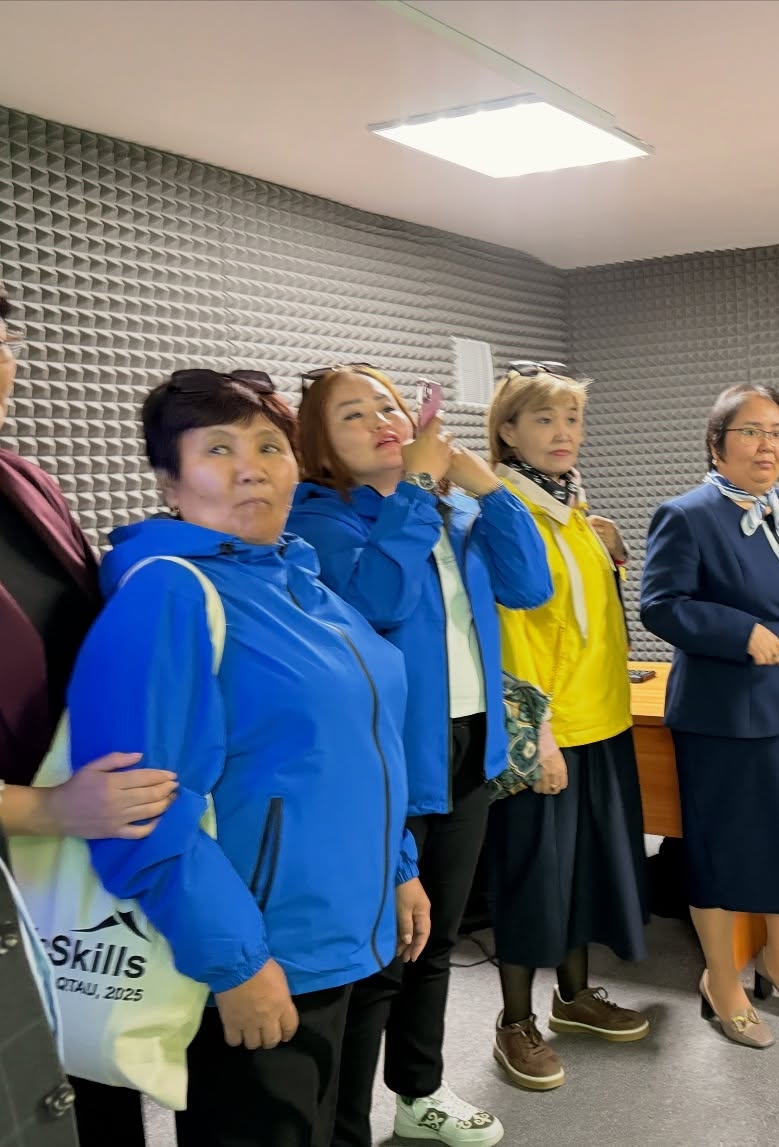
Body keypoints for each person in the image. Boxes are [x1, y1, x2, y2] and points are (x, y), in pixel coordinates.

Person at [66, 369, 428, 1147]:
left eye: (269, 446)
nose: (251, 466)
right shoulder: (167, 595)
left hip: (348, 932)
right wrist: (234, 962)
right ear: (170, 480)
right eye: (218, 449)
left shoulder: (304, 582)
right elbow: (141, 808)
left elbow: (359, 745)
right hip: (265, 949)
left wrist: (399, 866)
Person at [287, 364, 551, 1143]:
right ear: (319, 447)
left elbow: (529, 585)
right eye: (352, 415)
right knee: (380, 957)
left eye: (389, 406)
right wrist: (414, 489)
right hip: (386, 760)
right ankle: (344, 1124)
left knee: (435, 941)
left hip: (467, 745)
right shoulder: (320, 519)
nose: (380, 421)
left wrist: (487, 488)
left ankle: (419, 1089)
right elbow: (377, 600)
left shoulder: (450, 507)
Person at [0, 281, 179, 1147]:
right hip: (26, 839)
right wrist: (44, 808)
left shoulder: (25, 480)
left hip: (73, 853)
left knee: (96, 1085)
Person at [640, 383, 779, 1050]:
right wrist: (740, 631)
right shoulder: (686, 515)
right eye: (751, 431)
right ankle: (720, 978)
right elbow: (661, 605)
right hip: (724, 714)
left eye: (777, 431)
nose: (768, 445)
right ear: (717, 444)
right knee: (720, 849)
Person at [481, 361, 650, 1091]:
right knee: (532, 878)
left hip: (602, 720)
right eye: (544, 419)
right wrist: (537, 732)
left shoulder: (572, 507)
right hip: (548, 731)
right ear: (508, 430)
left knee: (583, 873)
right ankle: (514, 1020)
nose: (563, 432)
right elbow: (513, 632)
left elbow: (587, 618)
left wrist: (611, 552)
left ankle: (574, 997)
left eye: (572, 419)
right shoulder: (505, 512)